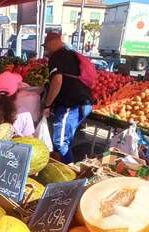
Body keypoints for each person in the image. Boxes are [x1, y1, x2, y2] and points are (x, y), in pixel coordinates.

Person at [41, 32, 93, 163]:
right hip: (83, 103)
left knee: (59, 142)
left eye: (46, 47)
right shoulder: (70, 54)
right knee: (66, 140)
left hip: (71, 105)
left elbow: (57, 81)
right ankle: (65, 166)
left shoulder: (58, 57)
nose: (46, 50)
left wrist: (47, 104)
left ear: (53, 42)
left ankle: (69, 172)